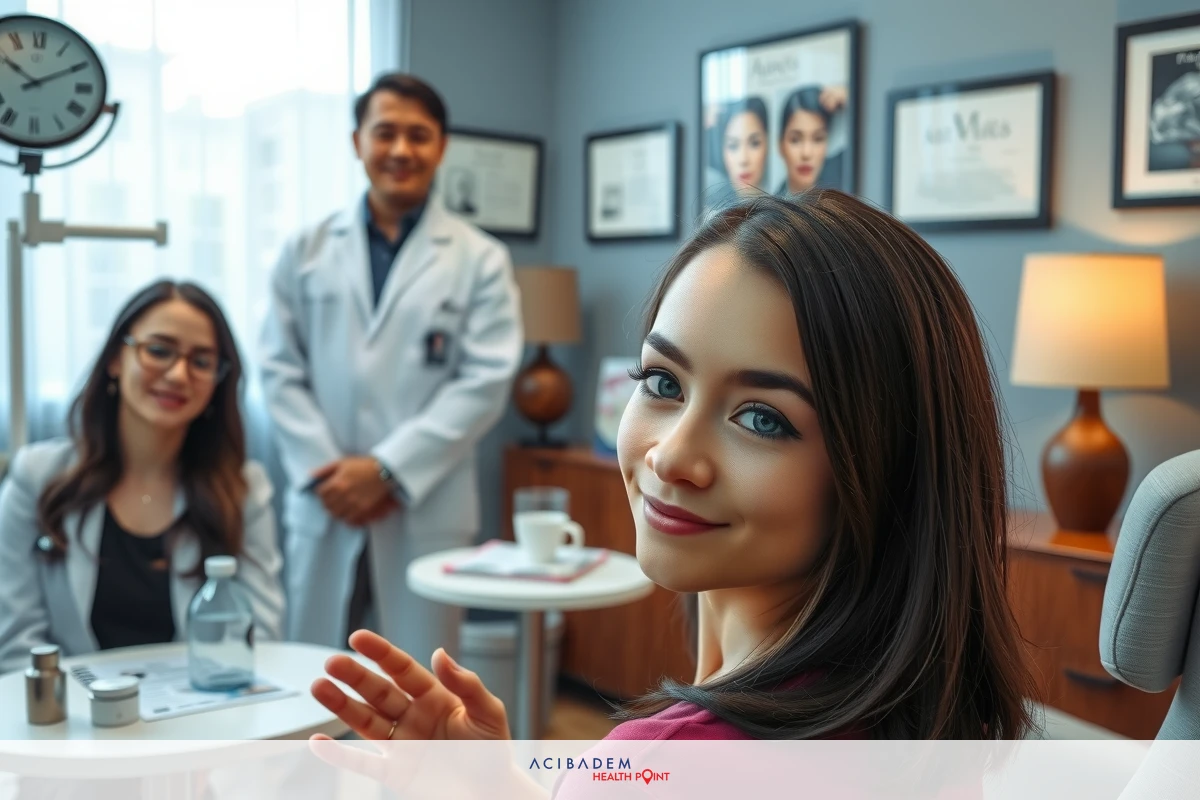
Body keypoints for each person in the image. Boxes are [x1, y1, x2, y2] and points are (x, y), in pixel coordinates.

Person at [308, 190, 1036, 751]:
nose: (671, 456)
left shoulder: (665, 761)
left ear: (887, 468)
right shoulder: (920, 727)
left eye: (762, 419)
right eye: (662, 383)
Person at [258, 72, 523, 658]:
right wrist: (335, 474)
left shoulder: (480, 259)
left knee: (422, 678)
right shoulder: (304, 250)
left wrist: (385, 471)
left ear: (441, 147)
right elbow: (278, 367)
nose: (401, 150)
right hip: (324, 496)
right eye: (385, 133)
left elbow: (484, 382)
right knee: (310, 670)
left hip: (423, 499)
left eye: (418, 135)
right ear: (358, 142)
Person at [0, 281, 284, 674]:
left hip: (202, 720)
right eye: (159, 351)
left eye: (201, 362)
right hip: (69, 723)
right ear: (116, 359)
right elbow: (17, 645)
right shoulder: (38, 477)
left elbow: (261, 639)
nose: (178, 374)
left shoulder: (243, 490)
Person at [776, 84, 847, 195]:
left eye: (818, 139)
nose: (806, 153)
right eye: (795, 140)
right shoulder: (769, 209)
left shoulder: (843, 177)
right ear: (780, 145)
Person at [705, 96, 770, 208]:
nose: (743, 159)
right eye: (733, 146)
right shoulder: (709, 213)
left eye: (754, 143)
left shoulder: (784, 213)